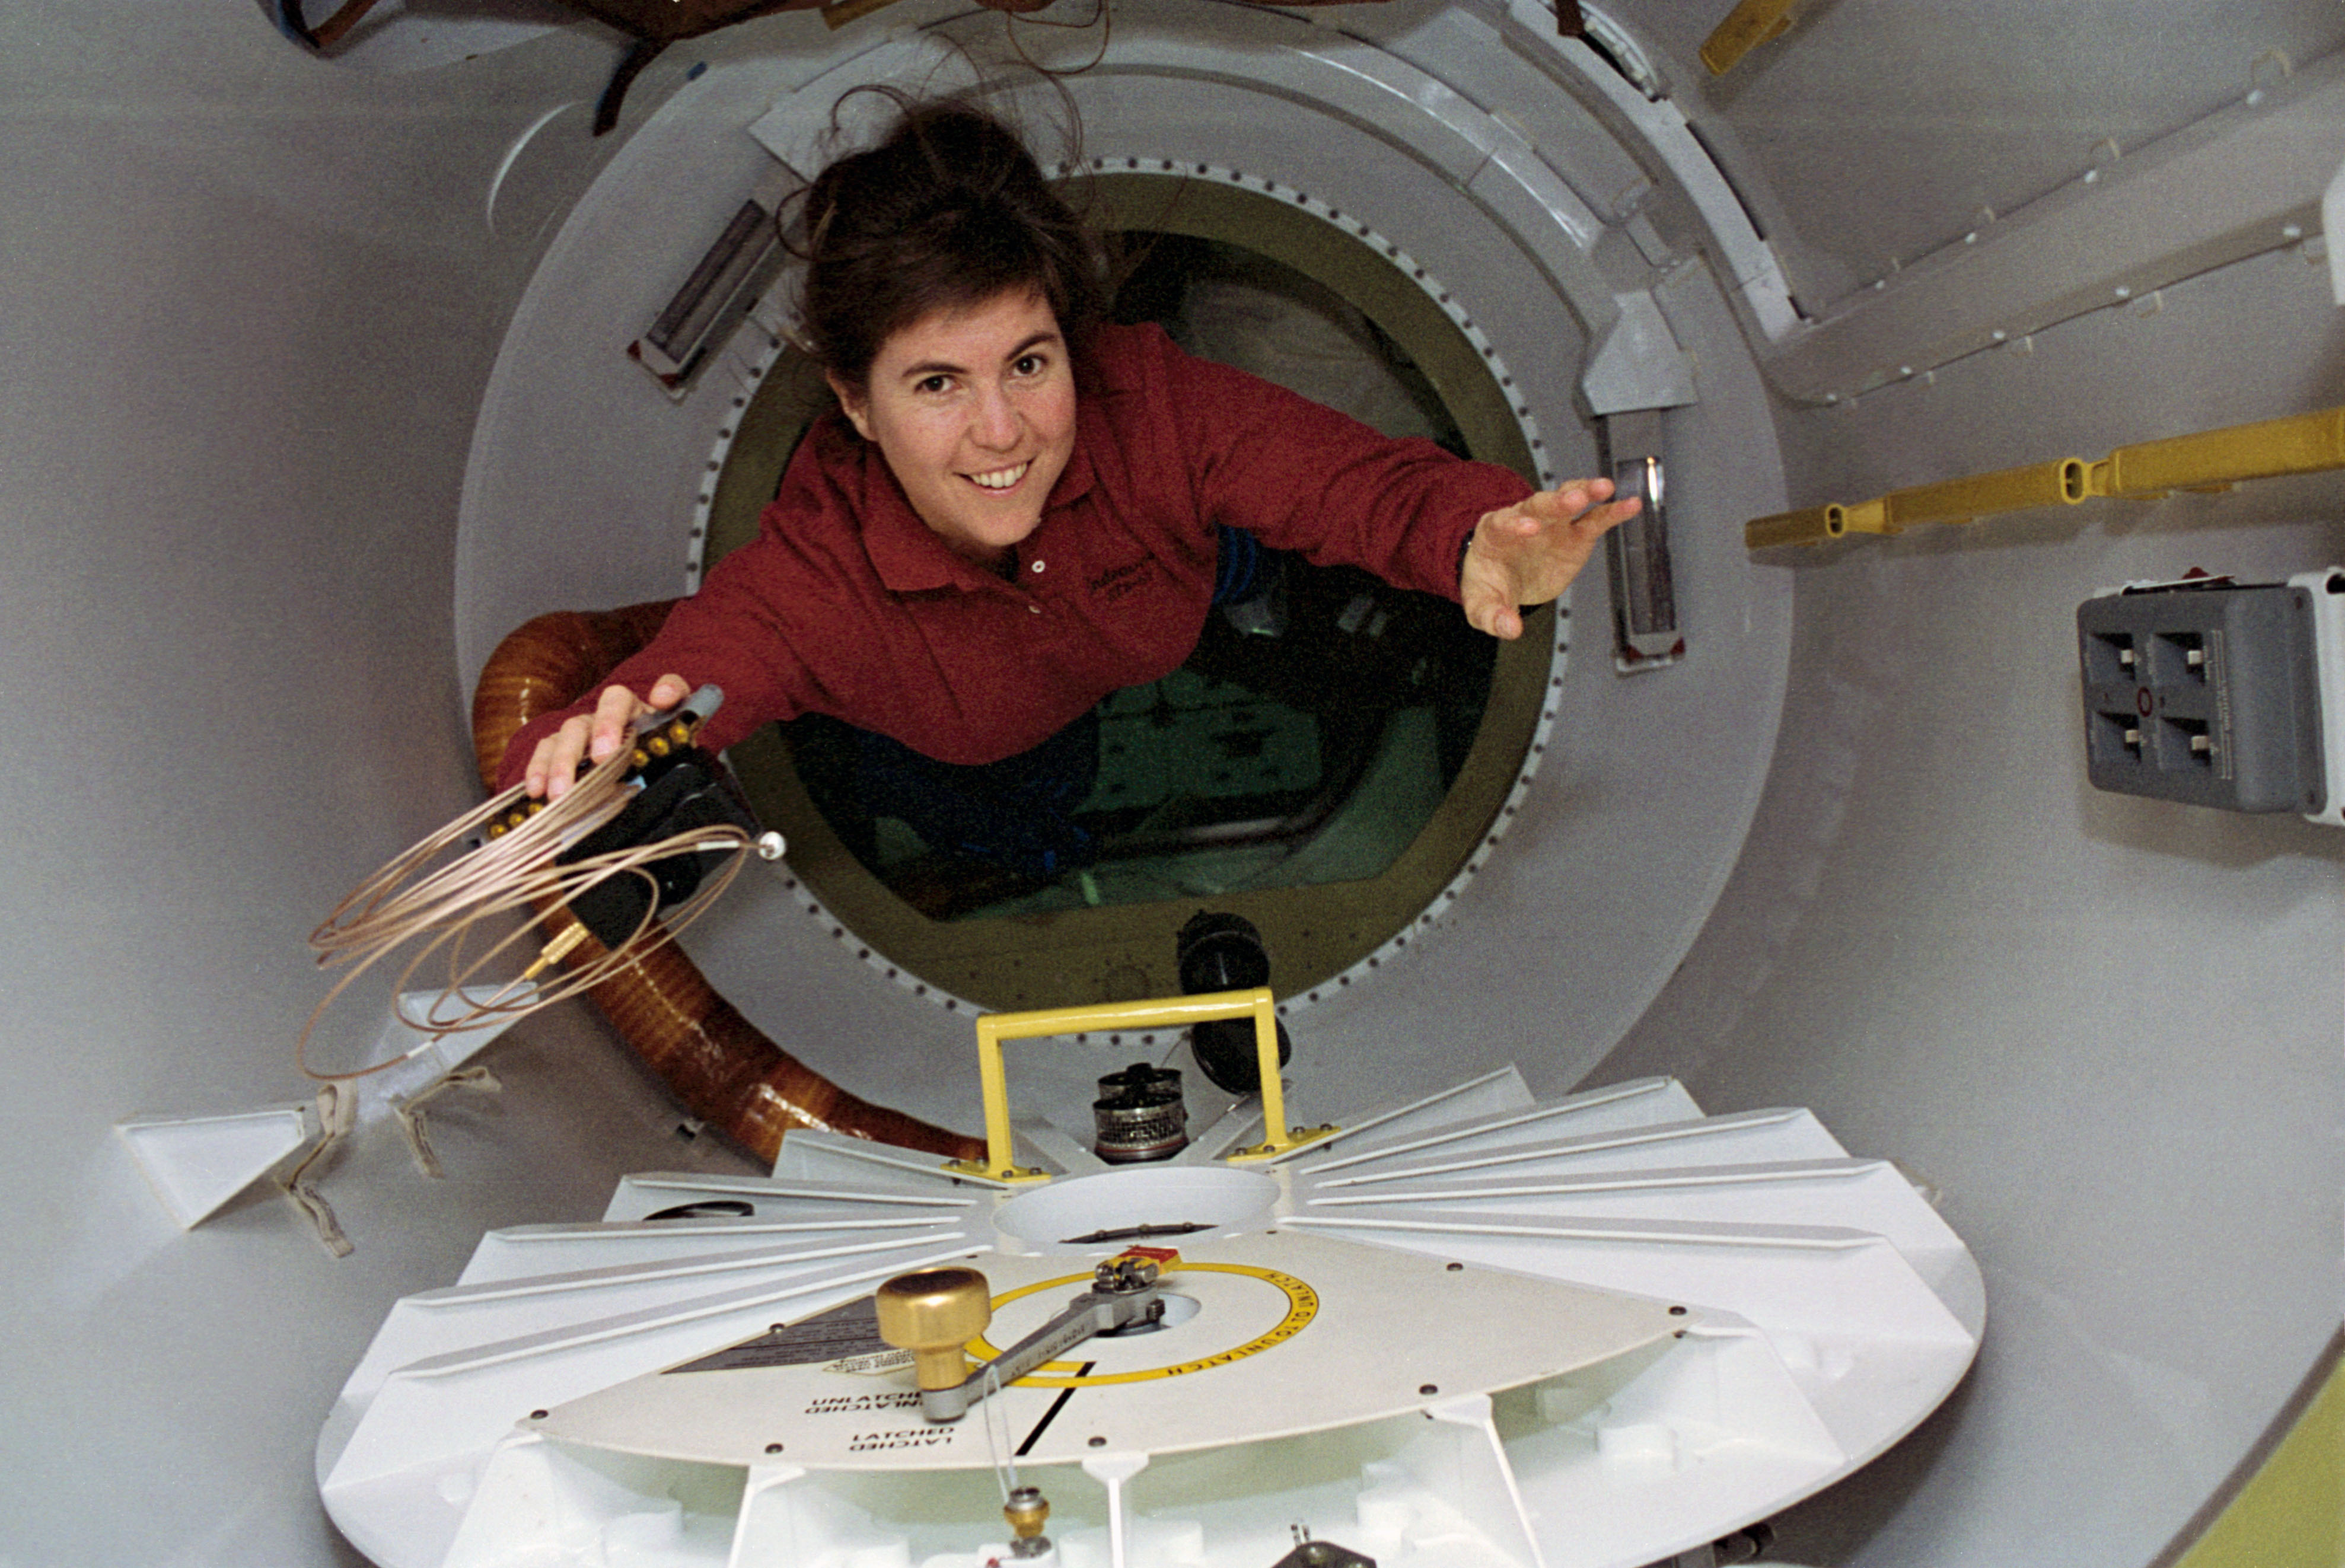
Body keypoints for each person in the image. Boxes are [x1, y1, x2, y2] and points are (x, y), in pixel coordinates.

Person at [502, 95, 1639, 872]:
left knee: (1241, 545)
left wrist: (1469, 542)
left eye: (1029, 364)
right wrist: (569, 774)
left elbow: (1349, 485)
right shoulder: (816, 582)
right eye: (938, 383)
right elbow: (646, 710)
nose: (1003, 433)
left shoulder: (1146, 405)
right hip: (977, 737)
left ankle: (1230, 587)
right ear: (854, 401)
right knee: (1036, 802)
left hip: (1157, 586)